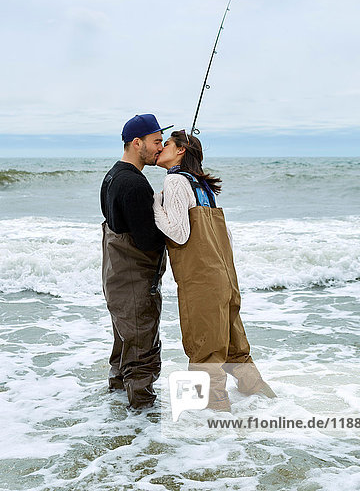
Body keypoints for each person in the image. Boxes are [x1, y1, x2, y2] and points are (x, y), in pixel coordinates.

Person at [153, 130, 276, 411]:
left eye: (167, 144)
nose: (160, 149)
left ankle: (212, 426)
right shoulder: (202, 186)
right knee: (235, 349)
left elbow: (178, 233)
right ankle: (265, 402)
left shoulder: (174, 180)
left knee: (204, 350)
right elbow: (227, 237)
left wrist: (154, 205)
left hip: (201, 280)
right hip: (225, 275)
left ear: (181, 151)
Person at [100, 114, 172, 409]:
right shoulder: (135, 185)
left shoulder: (112, 176)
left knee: (124, 343)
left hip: (116, 278)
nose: (160, 147)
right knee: (142, 350)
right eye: (156, 142)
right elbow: (147, 241)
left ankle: (116, 414)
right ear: (136, 143)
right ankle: (143, 423)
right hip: (134, 281)